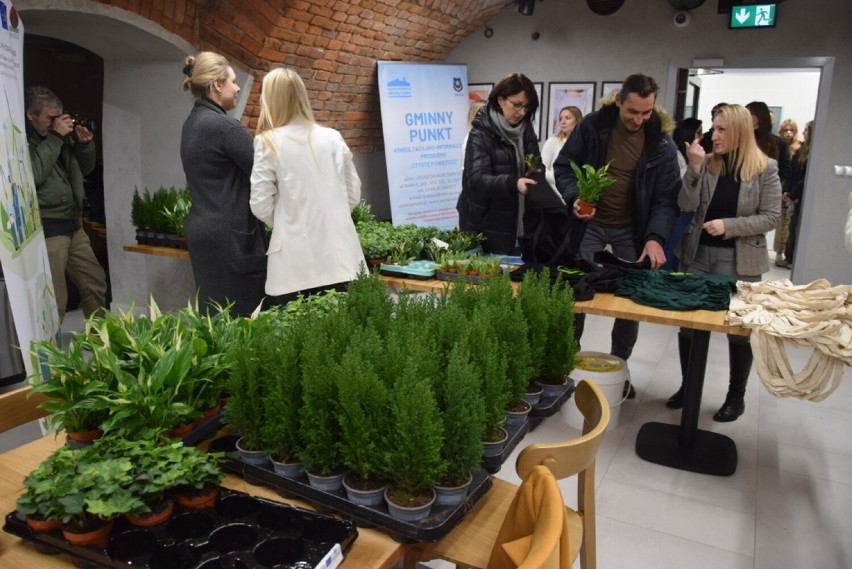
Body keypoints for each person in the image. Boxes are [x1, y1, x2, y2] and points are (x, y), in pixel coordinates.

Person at [553, 73, 680, 398]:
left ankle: (619, 369)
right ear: (619, 101)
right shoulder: (593, 126)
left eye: (646, 112)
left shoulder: (662, 140)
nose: (639, 119)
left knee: (628, 302)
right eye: (632, 112)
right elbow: (564, 166)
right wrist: (575, 198)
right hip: (589, 226)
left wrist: (655, 237)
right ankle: (566, 367)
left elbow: (667, 196)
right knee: (575, 294)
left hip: (631, 231)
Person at [667, 104, 781, 421]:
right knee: (689, 326)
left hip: (739, 260)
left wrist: (729, 226)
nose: (713, 136)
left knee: (739, 330)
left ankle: (735, 396)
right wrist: (692, 168)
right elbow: (685, 204)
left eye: (721, 130)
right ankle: (688, 387)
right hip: (697, 256)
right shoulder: (706, 164)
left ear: (740, 133)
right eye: (713, 129)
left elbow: (771, 216)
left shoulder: (765, 168)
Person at [249, 67, 364, 304]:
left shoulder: (267, 141)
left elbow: (260, 205)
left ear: (270, 99)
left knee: (298, 336)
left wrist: (288, 221)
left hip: (294, 264)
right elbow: (353, 195)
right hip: (341, 258)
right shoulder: (332, 137)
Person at [180, 51, 267, 316]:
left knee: (217, 320)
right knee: (244, 322)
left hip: (206, 234)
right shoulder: (225, 128)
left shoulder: (192, 123)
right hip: (233, 240)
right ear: (217, 84)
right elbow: (265, 173)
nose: (238, 87)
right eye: (232, 80)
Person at [25, 86, 107, 323]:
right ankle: (48, 355)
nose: (56, 123)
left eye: (59, 117)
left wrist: (84, 145)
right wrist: (56, 137)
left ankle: (99, 341)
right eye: (50, 118)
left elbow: (85, 168)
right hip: (48, 229)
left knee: (94, 281)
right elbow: (34, 174)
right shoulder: (22, 140)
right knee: (54, 296)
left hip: (73, 224)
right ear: (31, 114)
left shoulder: (58, 138)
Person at [457, 73, 541, 255]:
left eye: (526, 107)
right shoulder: (481, 133)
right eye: (517, 105)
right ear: (501, 99)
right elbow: (476, 179)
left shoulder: (526, 130)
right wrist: (514, 183)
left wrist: (535, 173)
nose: (522, 112)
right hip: (487, 224)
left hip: (521, 221)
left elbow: (535, 164)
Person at [662, 117, 703, 270]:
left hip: (690, 212)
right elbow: (679, 186)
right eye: (698, 132)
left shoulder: (699, 158)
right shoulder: (676, 156)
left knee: (680, 252)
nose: (702, 137)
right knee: (670, 250)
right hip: (678, 209)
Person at [782, 121, 814, 268]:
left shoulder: (813, 154)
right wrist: (787, 192)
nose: (803, 133)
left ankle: (794, 258)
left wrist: (793, 194)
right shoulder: (801, 151)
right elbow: (791, 173)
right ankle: (789, 257)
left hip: (802, 197)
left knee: (797, 228)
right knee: (791, 227)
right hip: (793, 194)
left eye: (806, 130)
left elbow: (804, 178)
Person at [773, 118, 802, 267]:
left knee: (788, 223)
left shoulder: (798, 149)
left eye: (792, 130)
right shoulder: (777, 145)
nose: (789, 132)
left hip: (791, 190)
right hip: (779, 188)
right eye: (786, 130)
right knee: (780, 221)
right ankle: (779, 251)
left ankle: (786, 252)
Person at [541, 106, 583, 193]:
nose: (562, 122)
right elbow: (541, 169)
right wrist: (562, 179)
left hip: (577, 196)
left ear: (577, 120)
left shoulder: (585, 144)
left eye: (567, 118)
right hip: (554, 195)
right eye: (560, 119)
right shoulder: (553, 141)